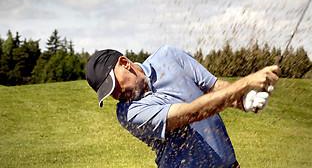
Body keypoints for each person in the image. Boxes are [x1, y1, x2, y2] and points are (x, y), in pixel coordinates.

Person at [85, 45, 280, 167]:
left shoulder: (169, 56)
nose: (117, 95)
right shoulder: (128, 113)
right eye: (110, 94)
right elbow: (192, 112)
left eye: (115, 86)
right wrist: (246, 83)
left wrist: (245, 100)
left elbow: (214, 88)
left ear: (125, 63)